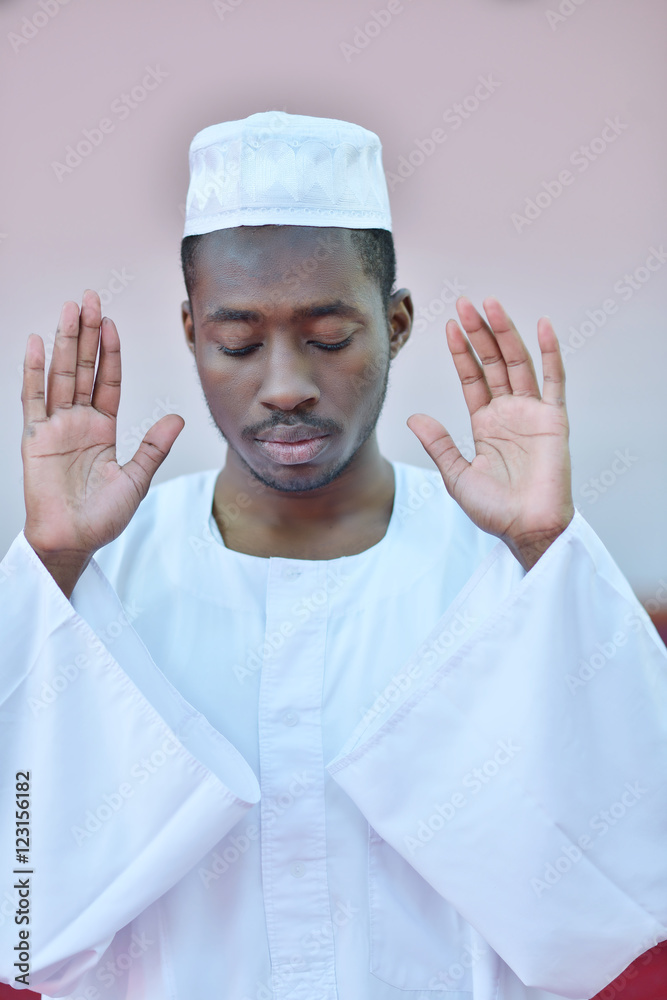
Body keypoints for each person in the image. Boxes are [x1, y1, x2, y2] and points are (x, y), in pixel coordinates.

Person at [0, 111, 665, 1000]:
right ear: (192, 330)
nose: (284, 384)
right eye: (238, 342)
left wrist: (546, 550)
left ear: (393, 326)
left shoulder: (509, 563)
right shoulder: (98, 569)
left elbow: (626, 864)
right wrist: (52, 570)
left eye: (328, 337)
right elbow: (20, 915)